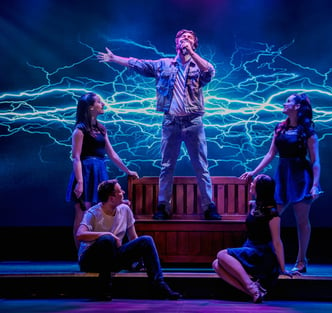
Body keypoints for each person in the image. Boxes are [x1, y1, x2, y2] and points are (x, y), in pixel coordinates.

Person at [97, 29, 221, 220]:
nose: (185, 40)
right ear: (176, 42)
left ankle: (208, 206)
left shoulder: (198, 67)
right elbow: (138, 64)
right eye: (182, 38)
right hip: (170, 122)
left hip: (193, 122)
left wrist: (192, 54)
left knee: (201, 166)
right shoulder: (163, 64)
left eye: (189, 38)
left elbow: (210, 72)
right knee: (167, 166)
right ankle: (163, 206)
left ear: (194, 45)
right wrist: (114, 58)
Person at [240, 93, 321, 273]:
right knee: (269, 217)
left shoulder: (307, 131)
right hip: (283, 176)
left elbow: (315, 161)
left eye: (289, 101)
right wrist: (254, 172)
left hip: (301, 177)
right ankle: (266, 257)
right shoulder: (280, 128)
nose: (284, 104)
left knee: (302, 222)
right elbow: (270, 154)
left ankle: (301, 261)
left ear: (298, 107)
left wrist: (315, 184)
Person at [76, 179, 182, 301]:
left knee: (146, 240)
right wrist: (107, 234)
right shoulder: (93, 213)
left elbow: (133, 237)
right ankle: (104, 288)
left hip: (112, 257)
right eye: (120, 191)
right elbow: (80, 234)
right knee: (107, 240)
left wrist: (139, 260)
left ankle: (159, 286)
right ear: (112, 198)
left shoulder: (125, 210)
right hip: (91, 261)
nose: (123, 192)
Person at [66, 92, 139, 248]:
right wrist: (80, 182)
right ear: (91, 107)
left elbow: (112, 154)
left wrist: (128, 171)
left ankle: (99, 249)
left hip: (99, 170)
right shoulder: (79, 131)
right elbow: (76, 157)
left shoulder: (101, 129)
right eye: (99, 102)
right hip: (85, 172)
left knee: (99, 209)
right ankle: (81, 254)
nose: (103, 104)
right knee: (83, 212)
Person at [212, 174, 298, 303]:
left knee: (221, 254)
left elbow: (277, 242)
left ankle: (251, 287)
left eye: (254, 183)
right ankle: (255, 292)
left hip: (262, 255)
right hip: (250, 250)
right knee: (216, 264)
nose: (251, 184)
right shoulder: (254, 205)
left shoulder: (272, 213)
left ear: (260, 189)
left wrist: (283, 268)